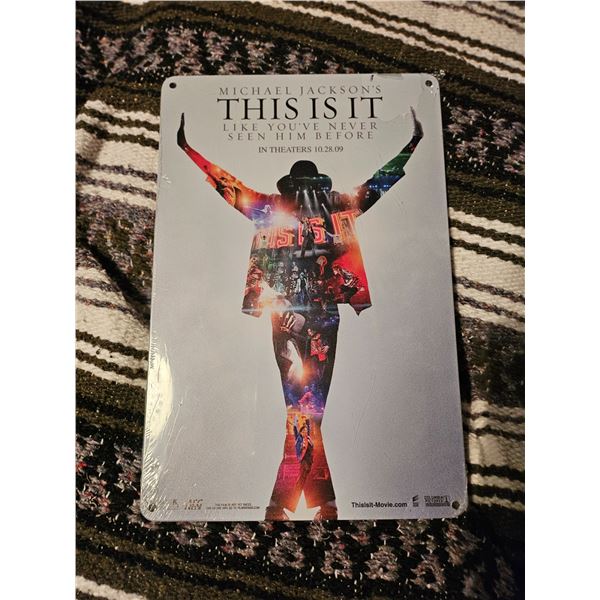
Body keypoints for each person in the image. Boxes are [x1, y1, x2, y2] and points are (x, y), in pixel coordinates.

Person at [177, 108, 423, 520]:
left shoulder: (274, 208)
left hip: (304, 314)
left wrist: (412, 145)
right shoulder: (326, 205)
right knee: (306, 403)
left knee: (304, 403)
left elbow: (228, 185)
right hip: (302, 314)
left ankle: (295, 502)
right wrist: (189, 150)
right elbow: (380, 181)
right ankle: (316, 503)